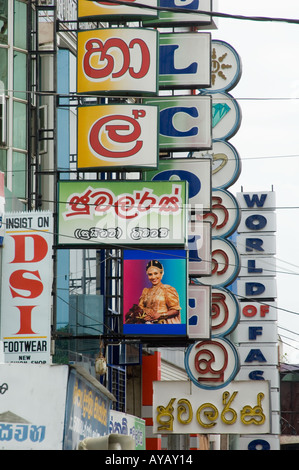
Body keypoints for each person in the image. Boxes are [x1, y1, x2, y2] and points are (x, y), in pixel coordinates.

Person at [137, 260, 181, 324]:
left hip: (164, 325)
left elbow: (175, 310)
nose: (153, 277)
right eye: (150, 274)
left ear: (161, 273)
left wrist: (160, 315)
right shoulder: (146, 291)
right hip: (148, 325)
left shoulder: (168, 289)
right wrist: (145, 313)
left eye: (156, 273)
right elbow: (140, 308)